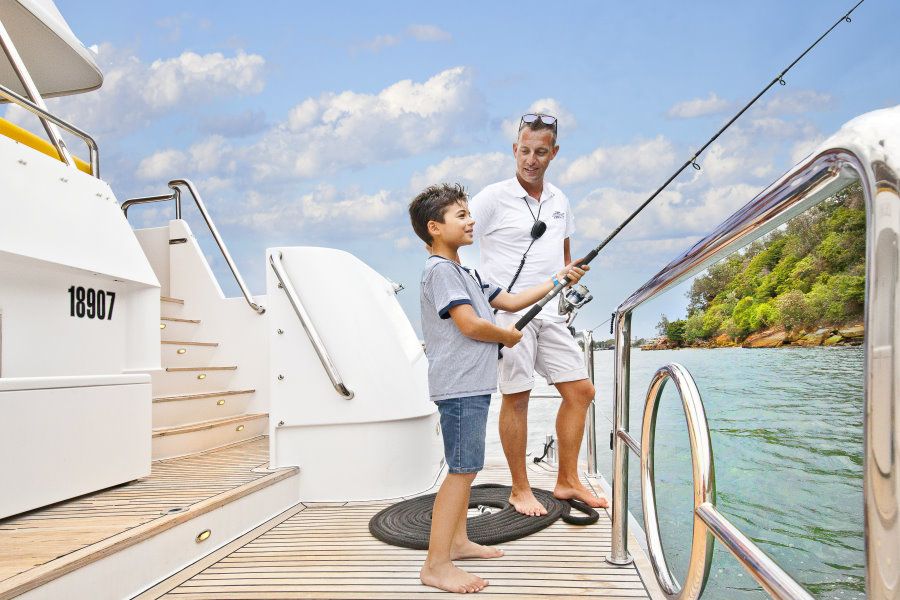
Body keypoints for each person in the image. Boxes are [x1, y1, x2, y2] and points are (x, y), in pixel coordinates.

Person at [409, 183, 587, 593]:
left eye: (469, 213)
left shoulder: (467, 272)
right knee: (462, 471)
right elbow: (470, 324)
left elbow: (510, 301)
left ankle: (457, 542)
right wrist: (505, 337)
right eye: (461, 215)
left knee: (467, 467)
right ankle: (436, 565)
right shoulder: (440, 271)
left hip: (472, 384)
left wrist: (557, 279)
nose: (471, 221)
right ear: (434, 227)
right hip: (458, 386)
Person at [468, 113, 608, 517]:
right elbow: (451, 236)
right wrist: (476, 294)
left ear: (554, 153)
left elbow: (563, 256)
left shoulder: (560, 200)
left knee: (581, 392)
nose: (531, 160)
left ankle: (567, 480)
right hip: (509, 314)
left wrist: (570, 271)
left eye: (541, 152)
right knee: (517, 397)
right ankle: (519, 488)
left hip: (550, 313)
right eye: (525, 151)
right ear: (515, 149)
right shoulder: (492, 198)